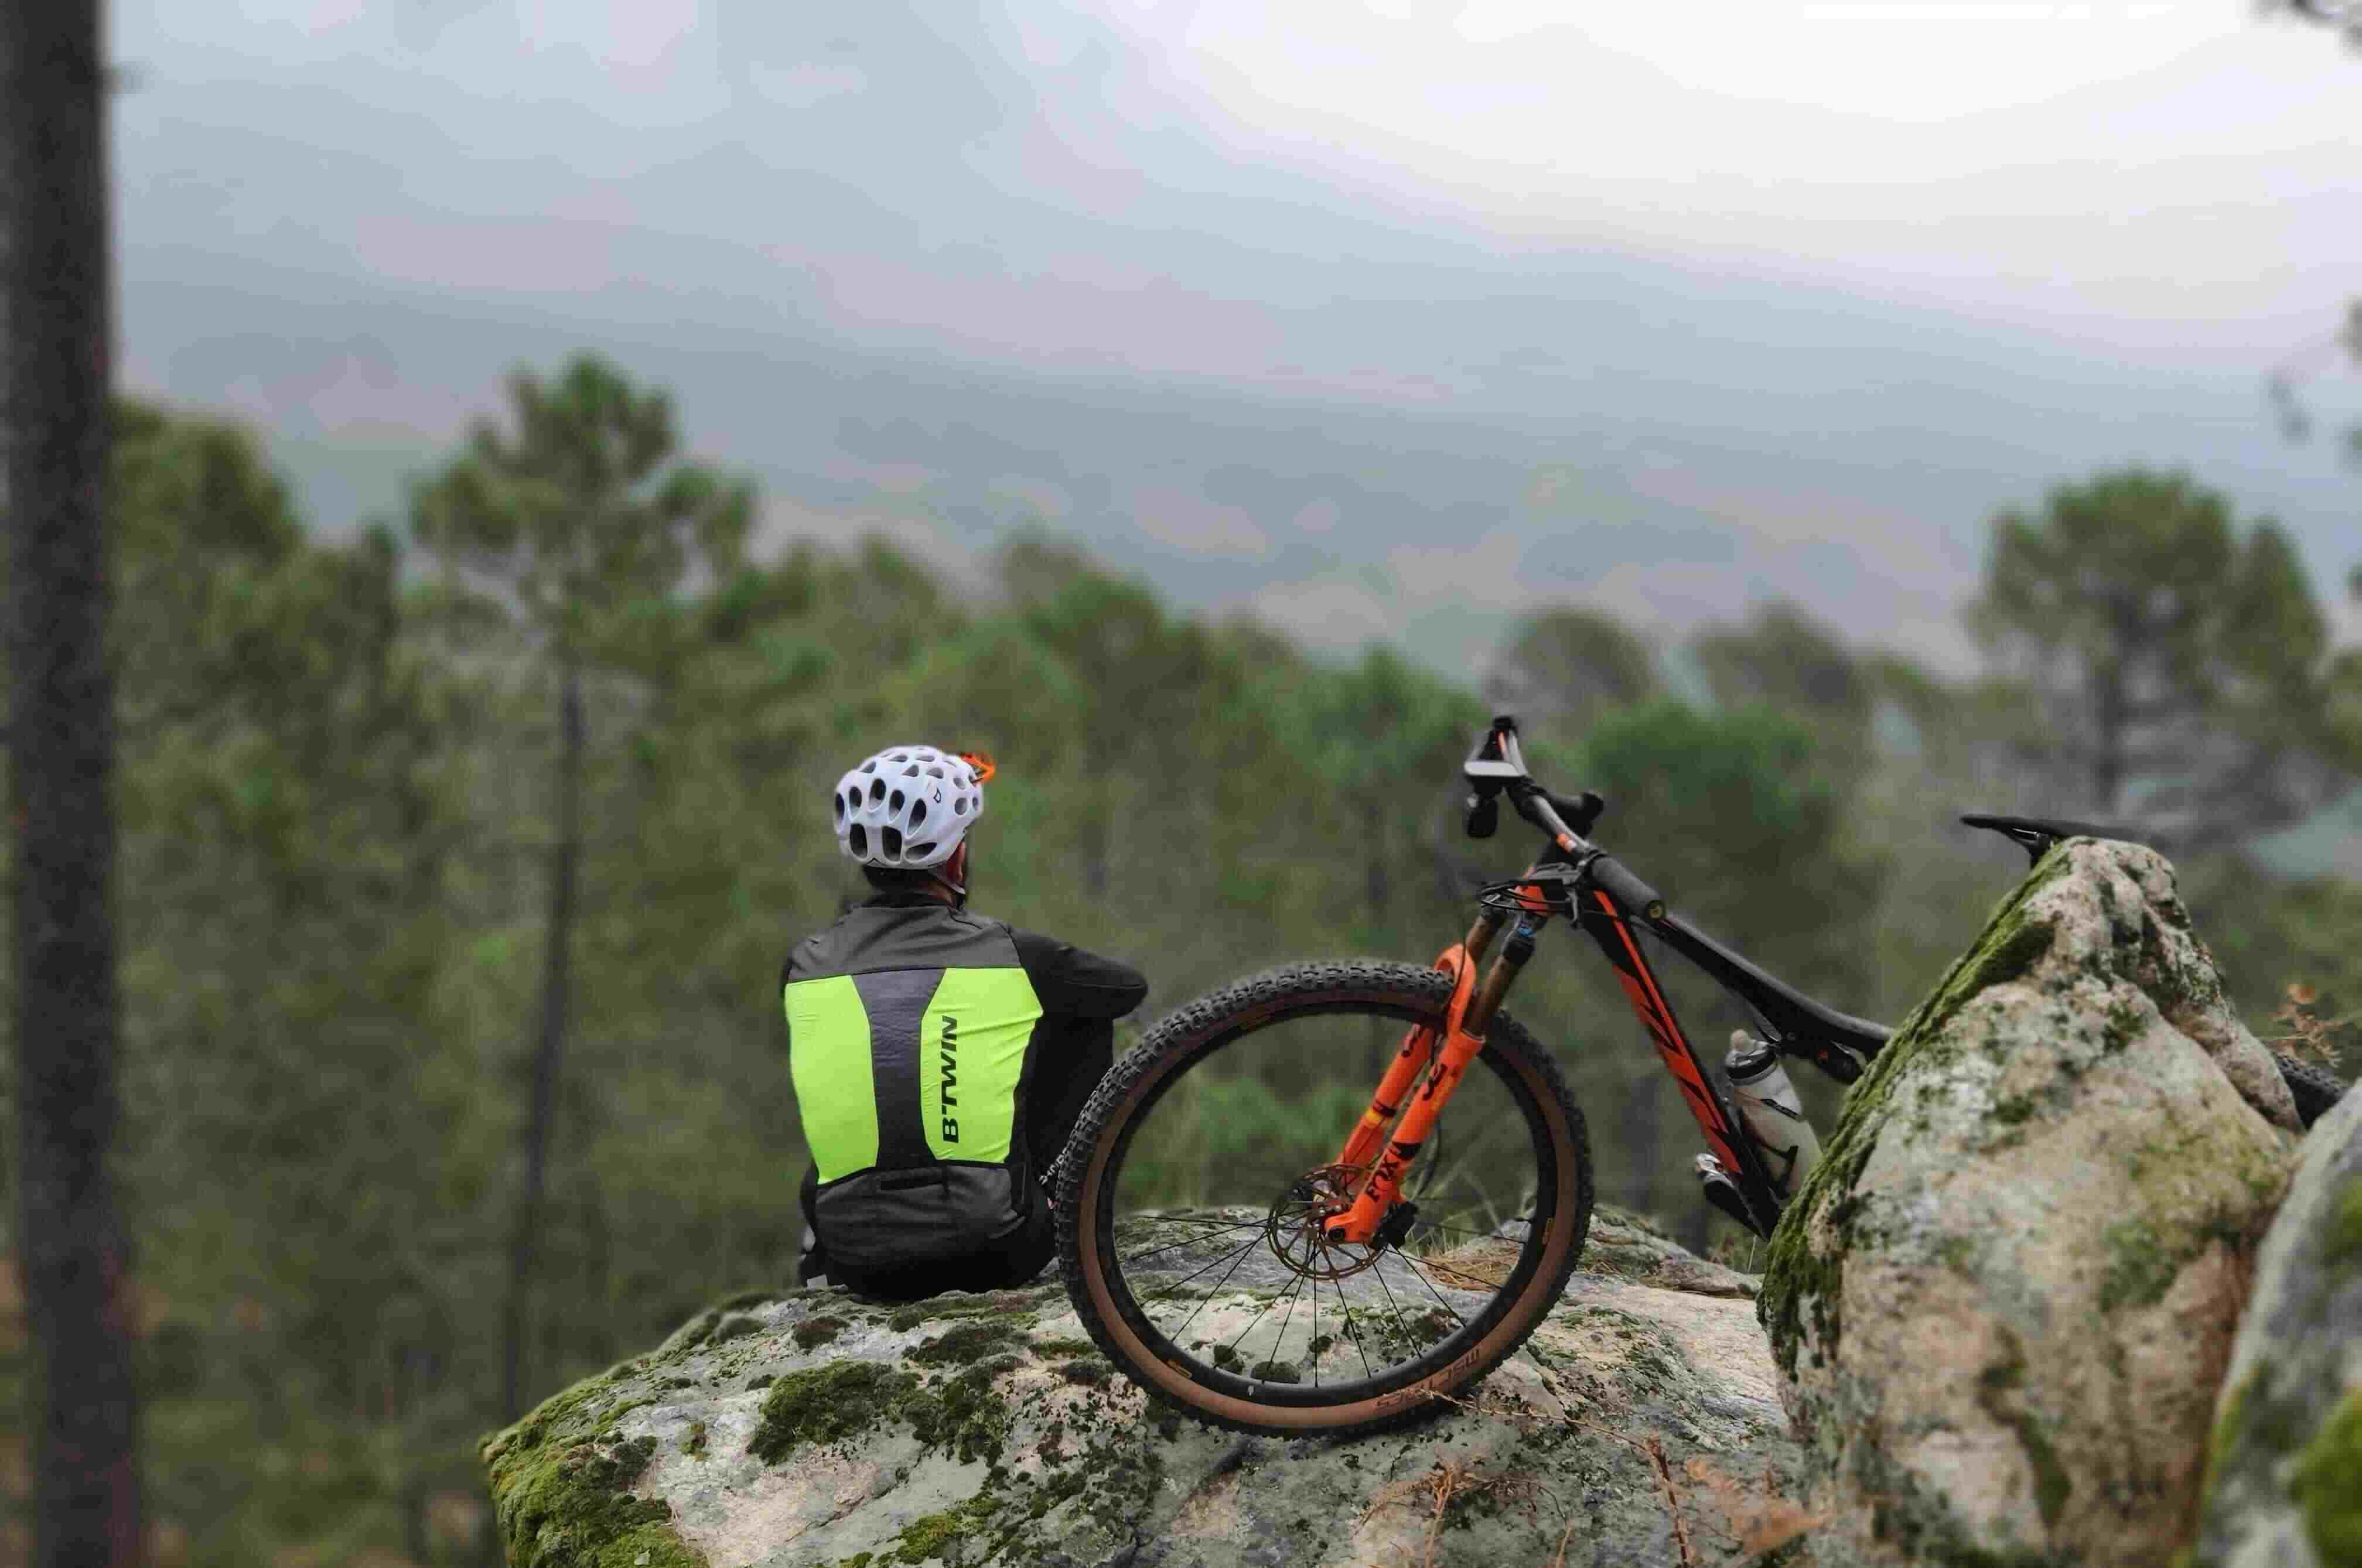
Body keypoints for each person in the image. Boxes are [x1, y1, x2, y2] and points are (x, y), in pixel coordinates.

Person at [784, 744, 1147, 1300]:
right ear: (955, 860)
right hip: (999, 1251)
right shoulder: (1014, 953)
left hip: (857, 1263)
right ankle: (1062, 1201)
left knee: (855, 1059)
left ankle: (819, 1243)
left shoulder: (805, 964)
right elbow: (1127, 989)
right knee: (1083, 1014)